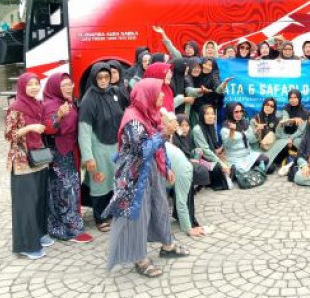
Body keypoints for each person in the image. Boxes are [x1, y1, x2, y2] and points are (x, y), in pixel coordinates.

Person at [104, 79, 189, 277]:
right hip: (134, 175)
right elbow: (142, 150)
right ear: (147, 94)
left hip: (151, 169)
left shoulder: (149, 113)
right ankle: (139, 258)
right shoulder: (133, 119)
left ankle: (167, 245)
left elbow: (158, 147)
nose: (162, 96)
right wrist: (164, 132)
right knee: (137, 215)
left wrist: (166, 166)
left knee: (160, 206)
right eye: (158, 93)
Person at [43, 73, 93, 243]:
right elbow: (49, 129)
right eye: (64, 85)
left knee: (70, 189)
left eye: (70, 84)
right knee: (65, 191)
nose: (68, 88)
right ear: (55, 87)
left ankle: (68, 225)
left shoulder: (69, 103)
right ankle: (68, 230)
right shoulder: (50, 105)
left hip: (70, 152)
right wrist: (58, 115)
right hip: (59, 154)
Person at [5, 72, 51, 259]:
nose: (33, 87)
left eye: (36, 84)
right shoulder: (15, 107)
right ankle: (25, 244)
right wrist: (30, 128)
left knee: (39, 200)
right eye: (30, 84)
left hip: (38, 157)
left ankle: (39, 234)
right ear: (22, 86)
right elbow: (9, 135)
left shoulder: (37, 105)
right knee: (25, 204)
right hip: (22, 161)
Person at [79, 63, 124, 232]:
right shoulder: (89, 99)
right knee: (100, 181)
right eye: (100, 78)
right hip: (98, 147)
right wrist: (88, 157)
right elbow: (84, 130)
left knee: (114, 180)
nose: (104, 81)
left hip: (115, 145)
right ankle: (100, 217)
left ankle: (111, 211)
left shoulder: (113, 92)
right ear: (94, 78)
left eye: (106, 77)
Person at [222, 102, 270, 180]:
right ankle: (248, 171)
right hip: (235, 157)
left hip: (247, 155)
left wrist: (255, 131)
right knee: (240, 171)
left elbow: (252, 140)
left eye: (241, 111)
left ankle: (252, 170)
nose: (239, 114)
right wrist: (233, 131)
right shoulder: (226, 126)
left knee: (266, 160)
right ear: (230, 112)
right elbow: (228, 144)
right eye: (236, 112)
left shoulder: (244, 123)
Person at [191, 105, 231, 190]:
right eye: (207, 114)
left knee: (231, 163)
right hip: (200, 160)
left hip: (210, 157)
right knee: (218, 167)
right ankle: (210, 182)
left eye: (212, 114)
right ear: (202, 115)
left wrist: (221, 152)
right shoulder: (197, 129)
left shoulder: (212, 127)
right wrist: (221, 162)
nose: (210, 116)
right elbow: (205, 151)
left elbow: (214, 146)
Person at [169, 114, 211, 188]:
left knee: (209, 165)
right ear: (176, 126)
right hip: (179, 165)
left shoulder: (188, 137)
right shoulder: (174, 139)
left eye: (187, 125)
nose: (185, 128)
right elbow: (178, 158)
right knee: (200, 168)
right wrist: (190, 160)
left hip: (189, 161)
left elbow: (190, 152)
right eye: (181, 126)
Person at [249, 97, 288, 166]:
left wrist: (281, 126)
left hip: (269, 147)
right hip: (257, 148)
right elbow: (250, 139)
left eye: (271, 106)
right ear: (263, 105)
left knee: (285, 141)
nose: (268, 107)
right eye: (267, 104)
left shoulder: (275, 120)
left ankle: (271, 160)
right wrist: (256, 130)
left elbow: (278, 136)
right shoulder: (255, 119)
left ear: (274, 109)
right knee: (269, 168)